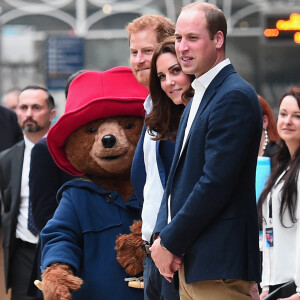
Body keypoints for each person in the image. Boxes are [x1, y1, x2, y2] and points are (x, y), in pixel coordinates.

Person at [150, 2, 262, 300]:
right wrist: (163, 240)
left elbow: (215, 183)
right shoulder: (199, 95)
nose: (182, 47)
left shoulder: (233, 95)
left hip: (219, 265)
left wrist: (169, 241)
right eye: (178, 38)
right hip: (193, 263)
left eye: (193, 38)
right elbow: (176, 184)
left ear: (218, 40)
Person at [127, 14, 180, 300]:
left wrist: (170, 241)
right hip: (152, 252)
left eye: (147, 51)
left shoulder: (180, 107)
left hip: (175, 253)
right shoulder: (151, 109)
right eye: (133, 52)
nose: (138, 60)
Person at [0, 86, 56, 300]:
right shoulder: (7, 159)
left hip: (57, 248)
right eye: (23, 108)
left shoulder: (65, 153)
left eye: (36, 107)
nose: (29, 113)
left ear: (51, 114)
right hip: (22, 253)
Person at [258, 86, 300, 300]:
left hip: (294, 287)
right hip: (276, 285)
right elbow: (269, 232)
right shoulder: (281, 167)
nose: (287, 121)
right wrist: (266, 283)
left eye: (297, 116)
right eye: (283, 114)